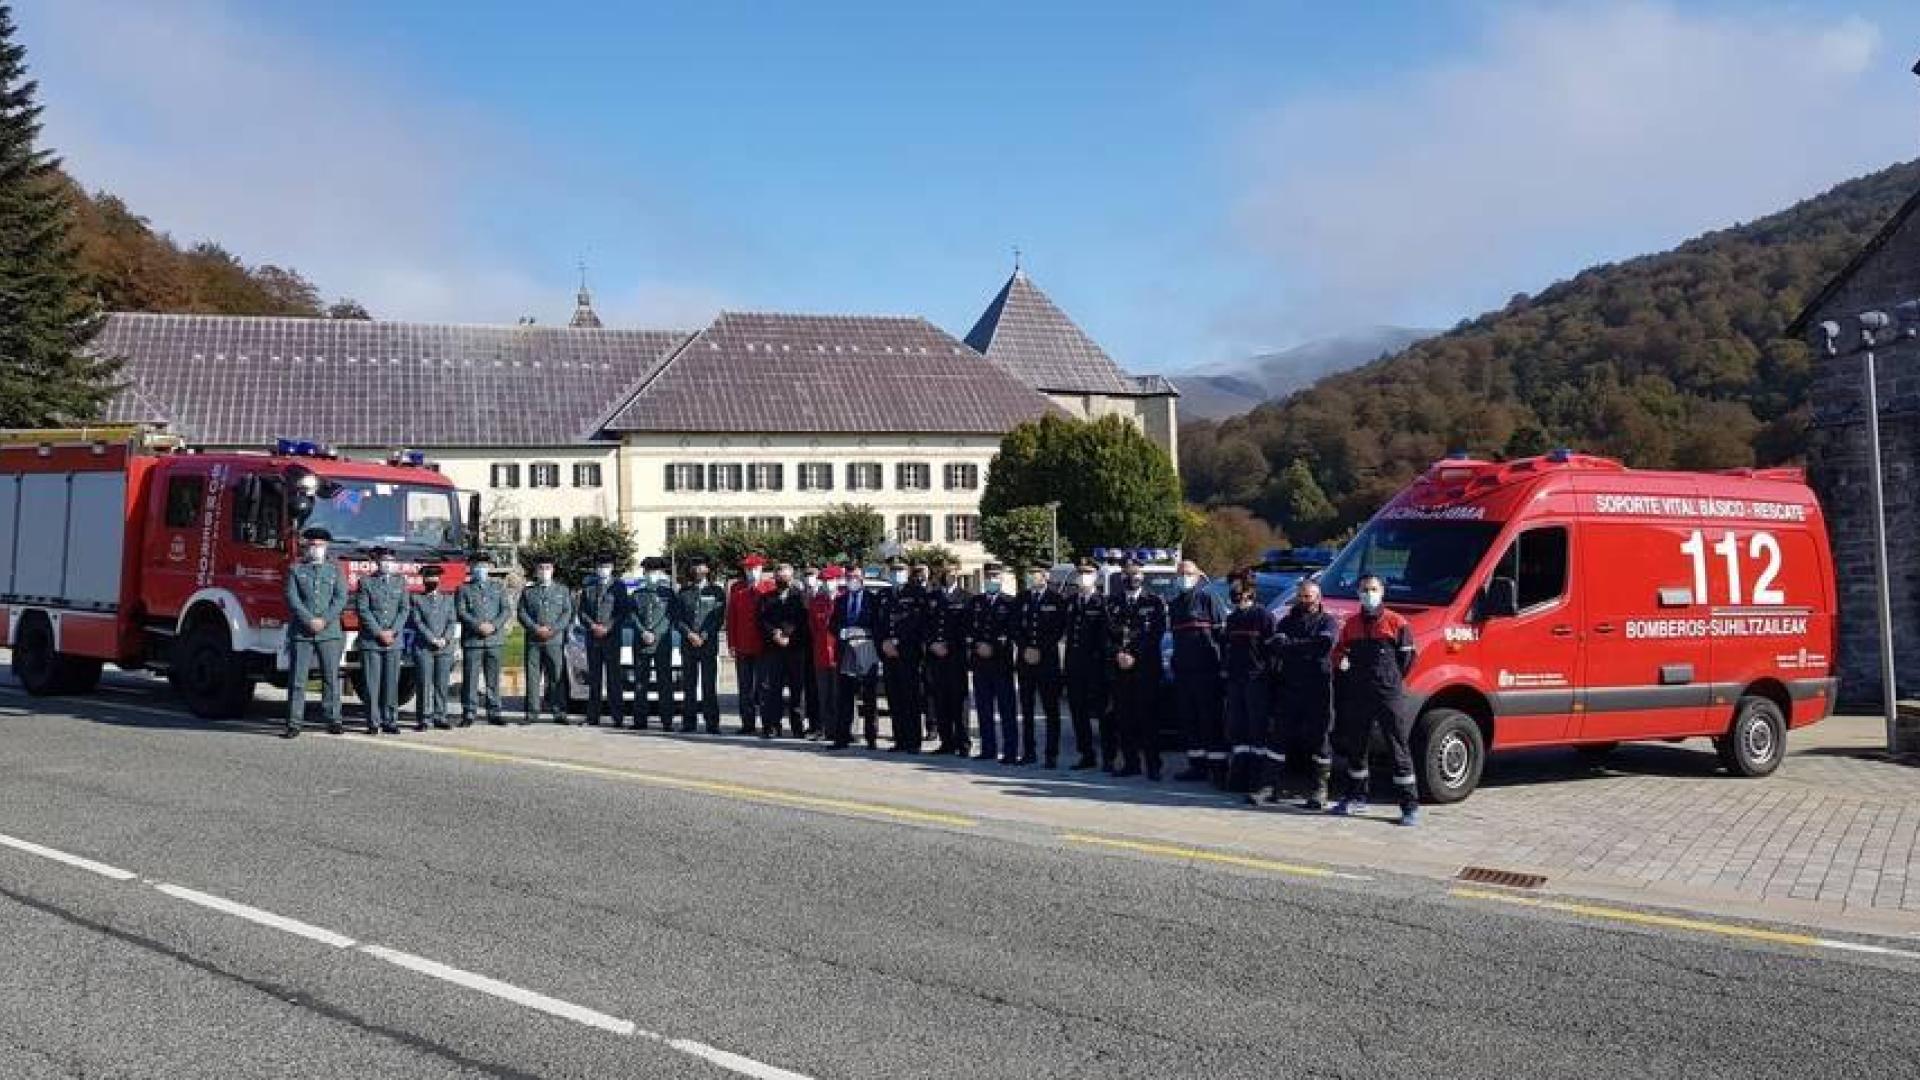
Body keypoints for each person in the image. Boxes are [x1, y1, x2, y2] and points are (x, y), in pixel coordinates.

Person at [1330, 574, 1420, 825]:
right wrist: (1341, 662)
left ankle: (1409, 806)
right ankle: (1357, 798)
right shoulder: (1351, 624)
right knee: (1357, 747)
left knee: (1398, 747)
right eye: (1364, 589)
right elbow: (1339, 651)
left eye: (1373, 589)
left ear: (1382, 592)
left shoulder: (1396, 622)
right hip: (1359, 693)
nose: (1369, 593)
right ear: (1357, 593)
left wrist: (1391, 681)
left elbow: (1409, 658)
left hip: (1388, 694)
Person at [1267, 580, 1340, 808]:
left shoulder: (1327, 621)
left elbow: (1324, 646)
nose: (1304, 600)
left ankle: (1319, 788)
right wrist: (1305, 646)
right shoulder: (1287, 621)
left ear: (1318, 598)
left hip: (1317, 688)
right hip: (1290, 685)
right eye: (1301, 596)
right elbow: (1277, 646)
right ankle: (1270, 785)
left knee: (1320, 737)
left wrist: (1293, 646)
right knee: (1279, 734)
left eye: (1308, 596)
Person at [1168, 558, 1229, 783]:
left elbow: (1222, 635)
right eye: (1181, 573)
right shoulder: (1175, 604)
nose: (1184, 578)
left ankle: (1218, 768)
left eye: (1189, 573)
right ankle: (1197, 766)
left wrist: (1222, 667)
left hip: (1207, 671)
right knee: (1190, 720)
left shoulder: (1208, 598)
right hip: (1184, 672)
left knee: (1210, 720)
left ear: (1198, 575)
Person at [284, 526, 348, 737]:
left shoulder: (335, 570)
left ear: (326, 546)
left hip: (329, 632)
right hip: (302, 632)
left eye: (320, 545)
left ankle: (333, 719)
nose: (316, 549)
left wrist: (325, 620)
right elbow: (292, 598)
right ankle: (294, 722)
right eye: (312, 545)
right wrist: (309, 619)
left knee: (330, 678)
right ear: (307, 546)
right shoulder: (296, 569)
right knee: (298, 679)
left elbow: (340, 598)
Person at [1108, 560, 1166, 779]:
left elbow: (1155, 635)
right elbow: (1108, 633)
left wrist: (1134, 656)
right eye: (1127, 573)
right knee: (1124, 718)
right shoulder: (1113, 602)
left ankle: (1153, 765)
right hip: (1121, 669)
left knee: (1148, 719)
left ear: (1142, 576)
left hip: (1145, 669)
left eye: (1136, 573)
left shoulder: (1154, 602)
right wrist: (1118, 654)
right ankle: (1130, 763)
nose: (1131, 577)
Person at [1221, 576, 1279, 794]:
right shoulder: (1233, 618)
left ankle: (1257, 777)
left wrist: (1268, 677)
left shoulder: (1263, 616)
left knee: (1257, 729)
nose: (1235, 596)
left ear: (1249, 593)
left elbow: (1272, 650)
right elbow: (1228, 647)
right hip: (1237, 680)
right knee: (1237, 728)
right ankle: (1239, 775)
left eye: (1238, 592)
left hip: (1257, 680)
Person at [1013, 563, 1067, 767]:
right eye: (1030, 573)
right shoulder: (1022, 599)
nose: (1032, 576)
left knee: (1051, 710)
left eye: (1036, 573)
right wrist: (1025, 647)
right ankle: (1028, 752)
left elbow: (1059, 629)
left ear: (1045, 576)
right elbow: (1014, 625)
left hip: (1047, 662)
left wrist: (1040, 649)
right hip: (1026, 661)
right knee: (1026, 709)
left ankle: (1051, 754)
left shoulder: (1056, 600)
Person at [353, 545, 409, 735]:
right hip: (371, 640)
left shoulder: (400, 582)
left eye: (391, 561)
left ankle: (390, 720)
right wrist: (379, 632)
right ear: (377, 562)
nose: (388, 564)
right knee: (371, 683)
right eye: (384, 560)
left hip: (394, 640)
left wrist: (392, 631)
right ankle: (372, 721)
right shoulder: (366, 582)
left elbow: (404, 609)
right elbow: (363, 610)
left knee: (391, 683)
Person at [967, 562, 1019, 763]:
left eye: (996, 576)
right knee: (983, 709)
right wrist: (977, 646)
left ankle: (1010, 751)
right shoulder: (976, 602)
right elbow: (968, 628)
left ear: (1002, 578)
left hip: (1001, 663)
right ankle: (987, 749)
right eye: (989, 576)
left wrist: (993, 647)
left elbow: (1012, 631)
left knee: (1007, 710)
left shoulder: (1009, 602)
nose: (992, 580)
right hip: (980, 663)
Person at [1062, 558, 1110, 770]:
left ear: (1096, 576)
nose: (1083, 576)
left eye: (1088, 572)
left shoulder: (1103, 603)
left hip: (1096, 667)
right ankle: (1086, 754)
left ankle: (1109, 757)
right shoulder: (1071, 602)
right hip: (1075, 666)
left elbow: (1107, 636)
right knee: (1078, 712)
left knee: (1103, 713)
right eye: (1080, 572)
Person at [830, 564, 885, 749]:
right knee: (844, 696)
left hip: (866, 648)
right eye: (850, 576)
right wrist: (841, 631)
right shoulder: (841, 600)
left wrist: (865, 631)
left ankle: (871, 738)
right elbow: (833, 624)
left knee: (869, 696)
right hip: (846, 650)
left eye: (856, 576)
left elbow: (879, 624)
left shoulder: (873, 599)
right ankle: (842, 737)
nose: (853, 580)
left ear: (862, 579)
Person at [456, 550, 510, 726]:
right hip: (473, 640)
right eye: (477, 565)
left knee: (493, 678)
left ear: (489, 567)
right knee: (470, 677)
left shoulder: (498, 587)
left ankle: (494, 711)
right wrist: (477, 625)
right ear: (471, 567)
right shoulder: (463, 589)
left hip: (494, 639)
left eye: (484, 565)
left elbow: (506, 610)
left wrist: (493, 625)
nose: (481, 568)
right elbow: (461, 611)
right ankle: (469, 713)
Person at [924, 560, 973, 755]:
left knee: (958, 701)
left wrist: (949, 646)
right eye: (945, 572)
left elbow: (967, 627)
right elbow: (925, 624)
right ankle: (946, 742)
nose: (948, 575)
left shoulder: (966, 597)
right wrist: (932, 644)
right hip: (936, 657)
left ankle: (963, 742)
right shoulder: (932, 597)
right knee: (940, 699)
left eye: (952, 572)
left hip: (956, 656)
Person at [519, 554, 574, 725]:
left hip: (555, 640)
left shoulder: (562, 591)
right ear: (536, 571)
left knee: (557, 676)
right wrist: (536, 628)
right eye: (541, 568)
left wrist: (554, 629)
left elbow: (567, 613)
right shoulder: (528, 592)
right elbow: (522, 613)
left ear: (553, 570)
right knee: (533, 677)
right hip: (534, 640)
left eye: (548, 568)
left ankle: (559, 712)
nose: (544, 571)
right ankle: (532, 712)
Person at [880, 556, 928, 753]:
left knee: (910, 697)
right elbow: (878, 622)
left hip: (908, 653)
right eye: (893, 570)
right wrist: (883, 642)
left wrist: (898, 642)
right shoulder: (884, 594)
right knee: (894, 697)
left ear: (907, 572)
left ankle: (913, 740)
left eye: (900, 570)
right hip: (888, 653)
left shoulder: (916, 593)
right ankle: (899, 738)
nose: (896, 574)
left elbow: (918, 623)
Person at [674, 556, 726, 733]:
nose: (698, 570)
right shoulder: (684, 592)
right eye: (695, 567)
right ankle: (689, 722)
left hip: (708, 644)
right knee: (689, 685)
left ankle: (712, 723)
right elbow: (677, 618)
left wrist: (703, 635)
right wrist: (689, 634)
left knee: (708, 685)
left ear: (708, 570)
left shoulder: (717, 591)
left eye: (702, 566)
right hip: (688, 644)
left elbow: (718, 618)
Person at [757, 562, 809, 738]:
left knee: (797, 690)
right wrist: (774, 633)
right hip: (773, 649)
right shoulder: (766, 598)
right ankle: (773, 725)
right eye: (779, 577)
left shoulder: (800, 597)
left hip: (795, 648)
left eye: (786, 577)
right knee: (773, 690)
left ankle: (797, 727)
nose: (782, 580)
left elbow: (802, 621)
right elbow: (762, 620)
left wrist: (787, 635)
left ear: (792, 578)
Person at [577, 557, 626, 728]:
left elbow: (622, 611)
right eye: (600, 566)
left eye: (606, 566)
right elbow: (582, 611)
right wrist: (592, 625)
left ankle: (617, 717)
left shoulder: (618, 587)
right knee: (595, 679)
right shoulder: (589, 587)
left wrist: (608, 627)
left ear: (612, 567)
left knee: (614, 679)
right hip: (593, 638)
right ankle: (593, 716)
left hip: (611, 638)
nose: (603, 569)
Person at [726, 554, 772, 735]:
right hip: (743, 644)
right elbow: (731, 618)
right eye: (748, 569)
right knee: (744, 687)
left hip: (762, 646)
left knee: (763, 687)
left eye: (755, 568)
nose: (751, 572)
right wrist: (731, 643)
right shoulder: (737, 588)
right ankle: (747, 723)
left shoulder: (769, 587)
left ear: (761, 569)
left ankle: (767, 724)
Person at [409, 563, 457, 731]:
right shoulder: (417, 599)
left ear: (439, 579)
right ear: (423, 580)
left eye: (434, 577)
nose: (431, 580)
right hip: (424, 647)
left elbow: (452, 621)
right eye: (428, 578)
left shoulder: (448, 599)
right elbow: (417, 621)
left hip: (445, 647)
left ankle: (440, 716)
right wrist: (432, 638)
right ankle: (424, 718)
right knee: (424, 683)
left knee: (441, 683)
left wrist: (445, 638)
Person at [630, 557, 676, 728]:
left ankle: (667, 720)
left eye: (655, 572)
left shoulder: (668, 594)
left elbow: (670, 616)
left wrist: (655, 633)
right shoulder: (637, 594)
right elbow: (633, 615)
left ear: (661, 573)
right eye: (649, 572)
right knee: (641, 682)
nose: (652, 575)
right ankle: (640, 720)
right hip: (641, 643)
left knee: (664, 681)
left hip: (662, 643)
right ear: (644, 573)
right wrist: (643, 632)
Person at [806, 565, 842, 740]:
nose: (828, 584)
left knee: (840, 695)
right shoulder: (817, 601)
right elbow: (813, 627)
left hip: (840, 654)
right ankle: (828, 730)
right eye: (825, 581)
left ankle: (843, 730)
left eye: (831, 580)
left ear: (838, 581)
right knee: (824, 695)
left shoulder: (843, 599)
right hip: (821, 654)